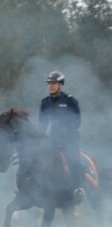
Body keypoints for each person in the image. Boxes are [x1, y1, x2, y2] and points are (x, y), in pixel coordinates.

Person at [38, 71, 85, 204]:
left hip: (70, 140)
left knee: (74, 160)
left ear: (61, 85)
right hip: (52, 140)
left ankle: (78, 189)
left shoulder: (70, 101)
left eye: (54, 83)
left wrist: (62, 135)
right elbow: (42, 125)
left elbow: (77, 122)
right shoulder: (45, 102)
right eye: (49, 83)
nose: (50, 86)